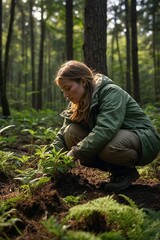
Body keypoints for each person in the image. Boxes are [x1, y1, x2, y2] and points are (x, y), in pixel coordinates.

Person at [52, 60, 160, 191]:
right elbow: (62, 135)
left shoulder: (111, 92)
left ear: (83, 82)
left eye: (68, 88)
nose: (66, 95)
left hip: (144, 138)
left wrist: (75, 153)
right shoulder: (76, 102)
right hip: (116, 138)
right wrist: (49, 160)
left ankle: (123, 172)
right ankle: (119, 171)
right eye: (63, 91)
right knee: (70, 132)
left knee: (108, 148)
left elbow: (105, 129)